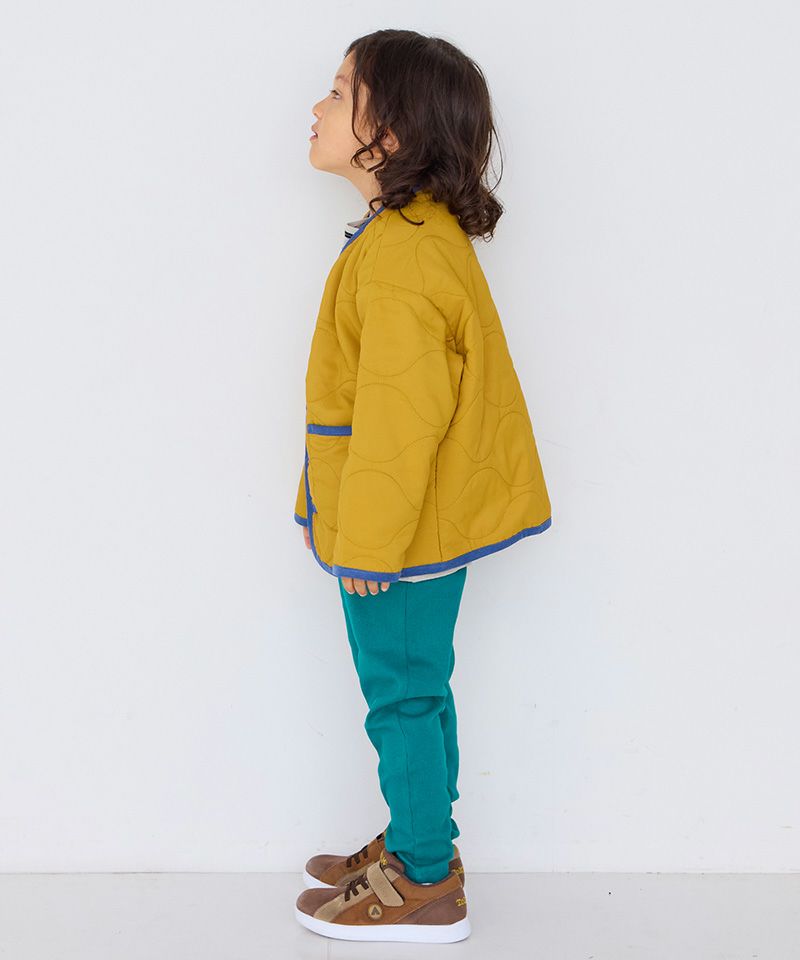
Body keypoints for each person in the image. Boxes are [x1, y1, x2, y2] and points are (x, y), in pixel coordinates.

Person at [293, 29, 552, 944]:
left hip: (402, 533)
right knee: (420, 686)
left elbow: (400, 419)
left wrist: (366, 543)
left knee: (400, 693)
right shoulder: (404, 238)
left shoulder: (404, 255)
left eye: (337, 92)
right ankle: (418, 841)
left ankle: (426, 878)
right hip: (417, 521)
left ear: (389, 134)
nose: (316, 108)